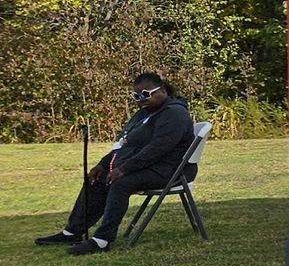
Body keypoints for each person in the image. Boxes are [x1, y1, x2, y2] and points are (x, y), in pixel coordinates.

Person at [34, 72, 195, 256]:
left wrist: (123, 169)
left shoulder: (175, 113)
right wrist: (103, 164)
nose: (140, 100)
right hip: (146, 166)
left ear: (162, 90)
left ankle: (103, 240)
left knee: (121, 183)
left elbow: (157, 150)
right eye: (136, 96)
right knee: (96, 178)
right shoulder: (143, 114)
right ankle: (73, 232)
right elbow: (124, 144)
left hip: (167, 170)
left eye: (145, 95)